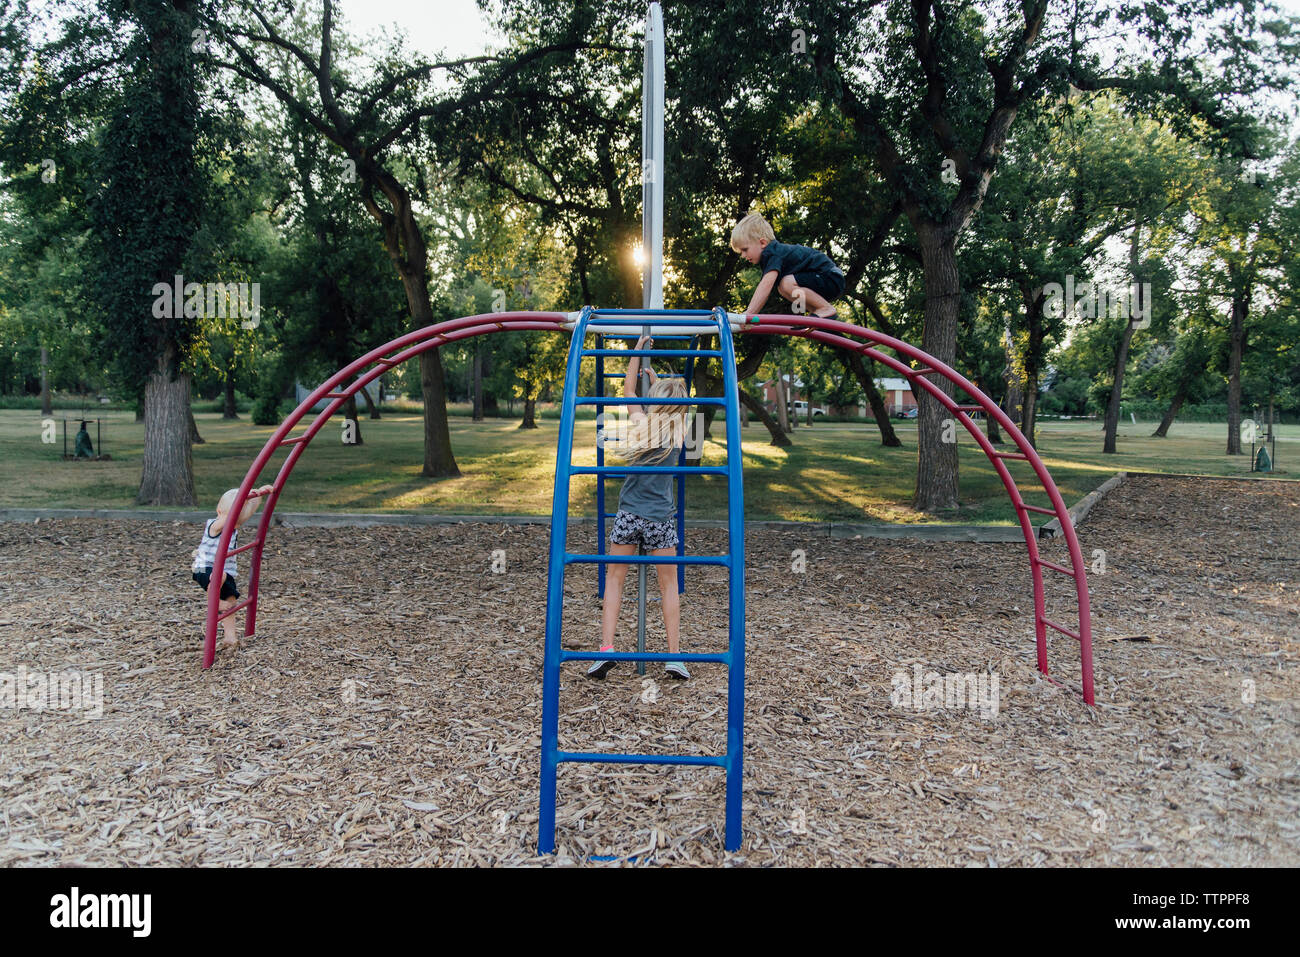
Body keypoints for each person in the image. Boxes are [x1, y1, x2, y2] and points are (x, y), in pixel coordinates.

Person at [588, 335, 692, 681]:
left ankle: (606, 649)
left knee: (614, 579)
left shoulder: (640, 423)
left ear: (653, 402)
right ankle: (674, 656)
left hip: (630, 513)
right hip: (660, 518)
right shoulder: (679, 430)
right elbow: (670, 404)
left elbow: (628, 391)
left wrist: (636, 353)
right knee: (669, 585)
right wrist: (658, 384)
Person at [192, 485, 273, 651]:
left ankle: (230, 636)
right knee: (219, 577)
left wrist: (257, 496)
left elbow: (247, 513)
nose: (236, 525)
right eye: (234, 520)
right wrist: (242, 503)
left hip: (222, 572)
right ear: (219, 512)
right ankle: (213, 601)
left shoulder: (232, 524)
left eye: (239, 522)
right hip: (203, 568)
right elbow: (229, 520)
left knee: (230, 600)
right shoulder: (214, 525)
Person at [730, 212, 844, 319]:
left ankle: (824, 308)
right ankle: (817, 312)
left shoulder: (773, 253)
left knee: (786, 283)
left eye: (745, 249)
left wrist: (749, 314)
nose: (743, 255)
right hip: (825, 278)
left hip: (829, 276)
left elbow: (765, 286)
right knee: (783, 288)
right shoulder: (773, 253)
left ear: (762, 243)